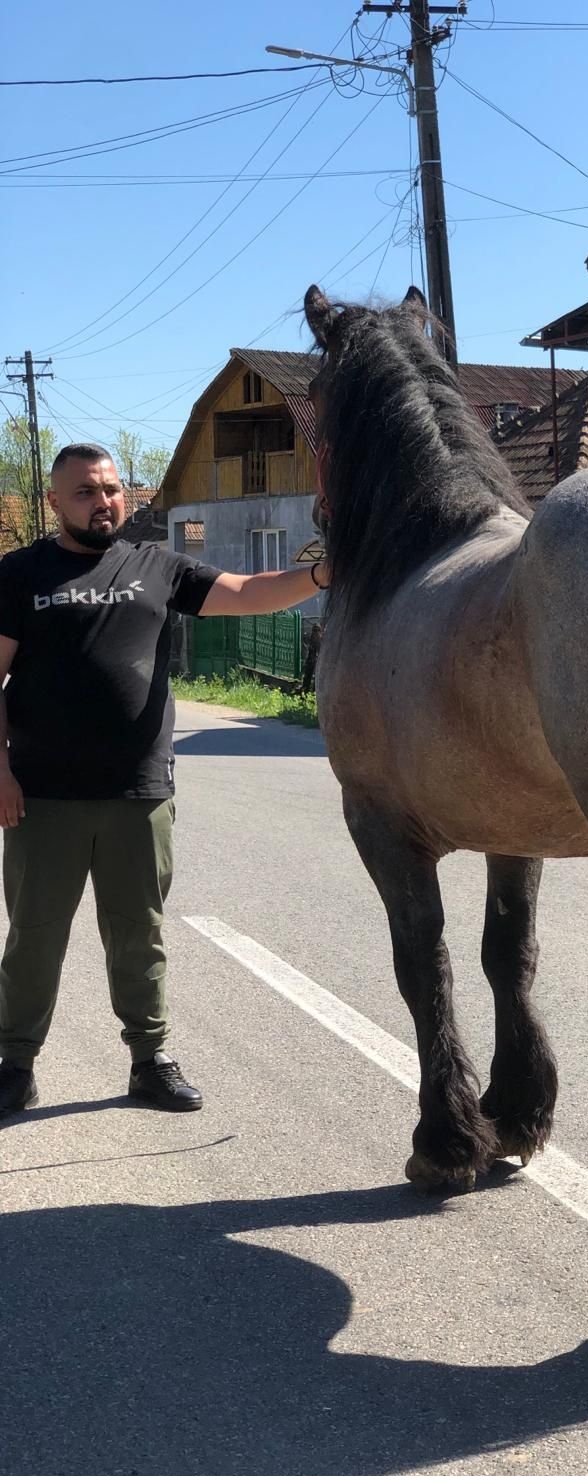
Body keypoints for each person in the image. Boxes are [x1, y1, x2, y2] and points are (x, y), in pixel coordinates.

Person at [0, 443, 328, 1119]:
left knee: (139, 932)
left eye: (113, 489)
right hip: (43, 796)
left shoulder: (157, 565)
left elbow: (244, 592)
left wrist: (322, 575)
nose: (104, 502)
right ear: (56, 502)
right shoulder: (18, 574)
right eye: (86, 492)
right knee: (34, 937)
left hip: (139, 792)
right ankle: (14, 1065)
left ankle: (150, 1062)